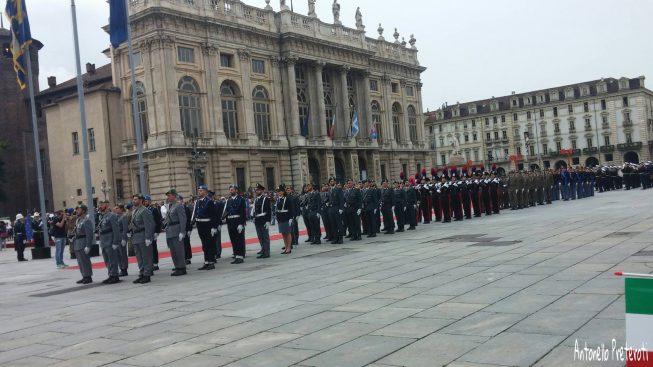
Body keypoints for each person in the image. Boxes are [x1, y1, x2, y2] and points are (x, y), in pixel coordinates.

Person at [129, 194, 156, 284]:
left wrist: (148, 237)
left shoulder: (145, 211)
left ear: (141, 200)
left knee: (146, 256)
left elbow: (150, 225)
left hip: (143, 235)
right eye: (133, 199)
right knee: (139, 257)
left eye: (136, 199)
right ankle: (142, 273)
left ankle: (147, 274)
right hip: (136, 236)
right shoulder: (134, 211)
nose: (134, 201)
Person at [192, 185, 219, 270]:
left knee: (209, 244)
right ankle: (206, 261)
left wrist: (214, 227)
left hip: (207, 225)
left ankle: (211, 262)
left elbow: (214, 215)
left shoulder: (209, 202)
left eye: (201, 190)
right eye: (199, 190)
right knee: (204, 244)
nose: (199, 192)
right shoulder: (198, 202)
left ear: (206, 192)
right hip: (200, 225)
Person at [163, 189, 188, 276]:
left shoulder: (179, 205)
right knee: (173, 251)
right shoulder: (170, 206)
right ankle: (177, 267)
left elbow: (183, 219)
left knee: (179, 250)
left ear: (174, 195)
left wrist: (182, 232)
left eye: (169, 195)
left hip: (177, 230)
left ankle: (182, 268)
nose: (168, 197)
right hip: (170, 231)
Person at [97, 200, 122, 284]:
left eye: (102, 205)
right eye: (99, 205)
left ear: (107, 205)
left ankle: (115, 275)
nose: (100, 206)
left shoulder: (112, 216)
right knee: (107, 259)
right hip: (104, 241)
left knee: (112, 259)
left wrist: (115, 242)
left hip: (110, 240)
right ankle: (110, 274)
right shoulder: (102, 216)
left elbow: (116, 230)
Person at [223, 185, 247, 264]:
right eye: (230, 190)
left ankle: (240, 256)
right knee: (233, 240)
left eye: (232, 190)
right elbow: (226, 211)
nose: (231, 191)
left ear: (236, 190)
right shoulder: (228, 200)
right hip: (230, 222)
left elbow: (243, 213)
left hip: (238, 221)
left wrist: (241, 223)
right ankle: (236, 256)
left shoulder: (241, 199)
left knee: (239, 240)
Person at [73, 205, 94, 284]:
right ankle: (84, 275)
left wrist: (88, 245)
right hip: (78, 243)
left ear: (83, 211)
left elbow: (89, 234)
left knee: (85, 261)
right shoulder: (78, 220)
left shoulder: (86, 220)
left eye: (79, 210)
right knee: (80, 261)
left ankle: (88, 276)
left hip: (83, 242)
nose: (77, 211)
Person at [252, 183, 272, 258]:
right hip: (257, 220)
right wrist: (253, 217)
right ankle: (263, 250)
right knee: (260, 236)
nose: (256, 191)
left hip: (264, 220)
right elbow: (255, 210)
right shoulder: (256, 199)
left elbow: (268, 211)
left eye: (258, 190)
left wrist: (268, 221)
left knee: (265, 237)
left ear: (262, 191)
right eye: (256, 190)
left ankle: (267, 252)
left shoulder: (266, 199)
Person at [143, 195, 162, 271]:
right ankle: (150, 263)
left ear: (150, 201)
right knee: (147, 249)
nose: (145, 202)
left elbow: (158, 221)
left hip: (153, 231)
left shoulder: (153, 210)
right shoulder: (144, 210)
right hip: (146, 232)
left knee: (153, 248)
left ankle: (155, 264)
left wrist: (157, 232)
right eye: (144, 201)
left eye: (146, 201)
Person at [276, 184, 295, 254]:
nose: (279, 193)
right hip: (280, 218)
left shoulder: (287, 198)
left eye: (280, 191)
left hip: (286, 217)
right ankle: (286, 246)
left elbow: (291, 208)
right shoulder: (278, 199)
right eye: (278, 191)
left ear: (283, 191)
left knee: (288, 233)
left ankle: (289, 248)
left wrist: (291, 218)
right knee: (283, 233)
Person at [114, 204, 130, 276]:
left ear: (121, 209)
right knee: (117, 254)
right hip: (117, 237)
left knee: (122, 254)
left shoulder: (124, 217)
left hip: (121, 236)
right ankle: (121, 268)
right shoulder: (116, 217)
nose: (115, 209)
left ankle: (124, 269)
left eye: (117, 208)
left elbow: (125, 228)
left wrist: (124, 238)